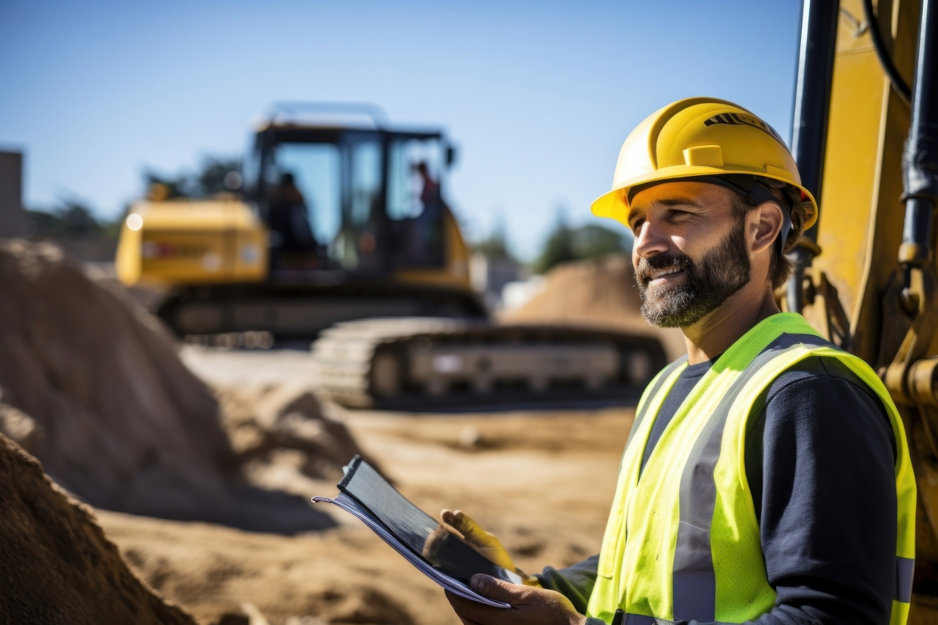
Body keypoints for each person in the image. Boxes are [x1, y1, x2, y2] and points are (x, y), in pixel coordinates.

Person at [443, 97, 916, 625]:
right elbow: (649, 563)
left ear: (762, 228)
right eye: (637, 221)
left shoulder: (808, 393)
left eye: (678, 214)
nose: (646, 244)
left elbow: (831, 616)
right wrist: (528, 587)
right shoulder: (670, 386)